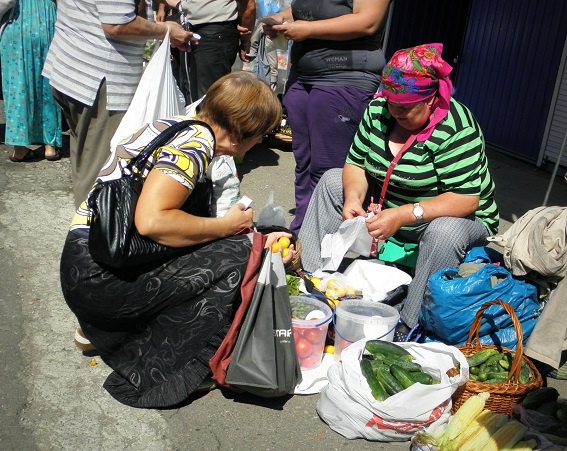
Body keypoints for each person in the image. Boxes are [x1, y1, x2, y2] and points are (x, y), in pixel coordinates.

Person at [59, 72, 294, 408]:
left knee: (223, 243)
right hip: (98, 278)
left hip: (87, 261)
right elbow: (153, 221)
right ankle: (174, 366)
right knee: (242, 254)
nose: (261, 142)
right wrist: (228, 228)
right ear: (244, 133)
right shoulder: (195, 145)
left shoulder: (178, 124)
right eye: (262, 134)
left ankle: (96, 326)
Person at [298, 43, 499, 341]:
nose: (395, 112)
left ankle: (410, 322)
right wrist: (353, 198)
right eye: (391, 103)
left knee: (446, 231)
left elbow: (466, 200)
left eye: (405, 108)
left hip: (448, 216)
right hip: (392, 205)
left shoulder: (456, 128)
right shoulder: (378, 110)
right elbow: (355, 163)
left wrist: (405, 214)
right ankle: (317, 286)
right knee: (331, 181)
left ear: (431, 100)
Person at [42, 0, 196, 208]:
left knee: (85, 161)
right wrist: (164, 30)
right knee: (100, 172)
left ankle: (87, 226)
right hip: (99, 78)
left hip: (69, 66)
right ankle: (90, 234)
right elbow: (117, 24)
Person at [263, 0, 392, 234]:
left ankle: (327, 240)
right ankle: (303, 230)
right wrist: (281, 21)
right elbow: (303, 10)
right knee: (304, 163)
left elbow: (367, 22)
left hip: (345, 77)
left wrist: (307, 29)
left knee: (328, 169)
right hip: (303, 76)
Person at [1, 0, 62, 162]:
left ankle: (19, 148)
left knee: (17, 85)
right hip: (48, 18)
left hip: (16, 21)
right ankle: (50, 146)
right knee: (48, 81)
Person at [178, 0, 256, 102]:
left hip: (215, 30)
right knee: (194, 98)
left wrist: (245, 40)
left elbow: (249, 6)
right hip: (191, 29)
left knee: (211, 98)